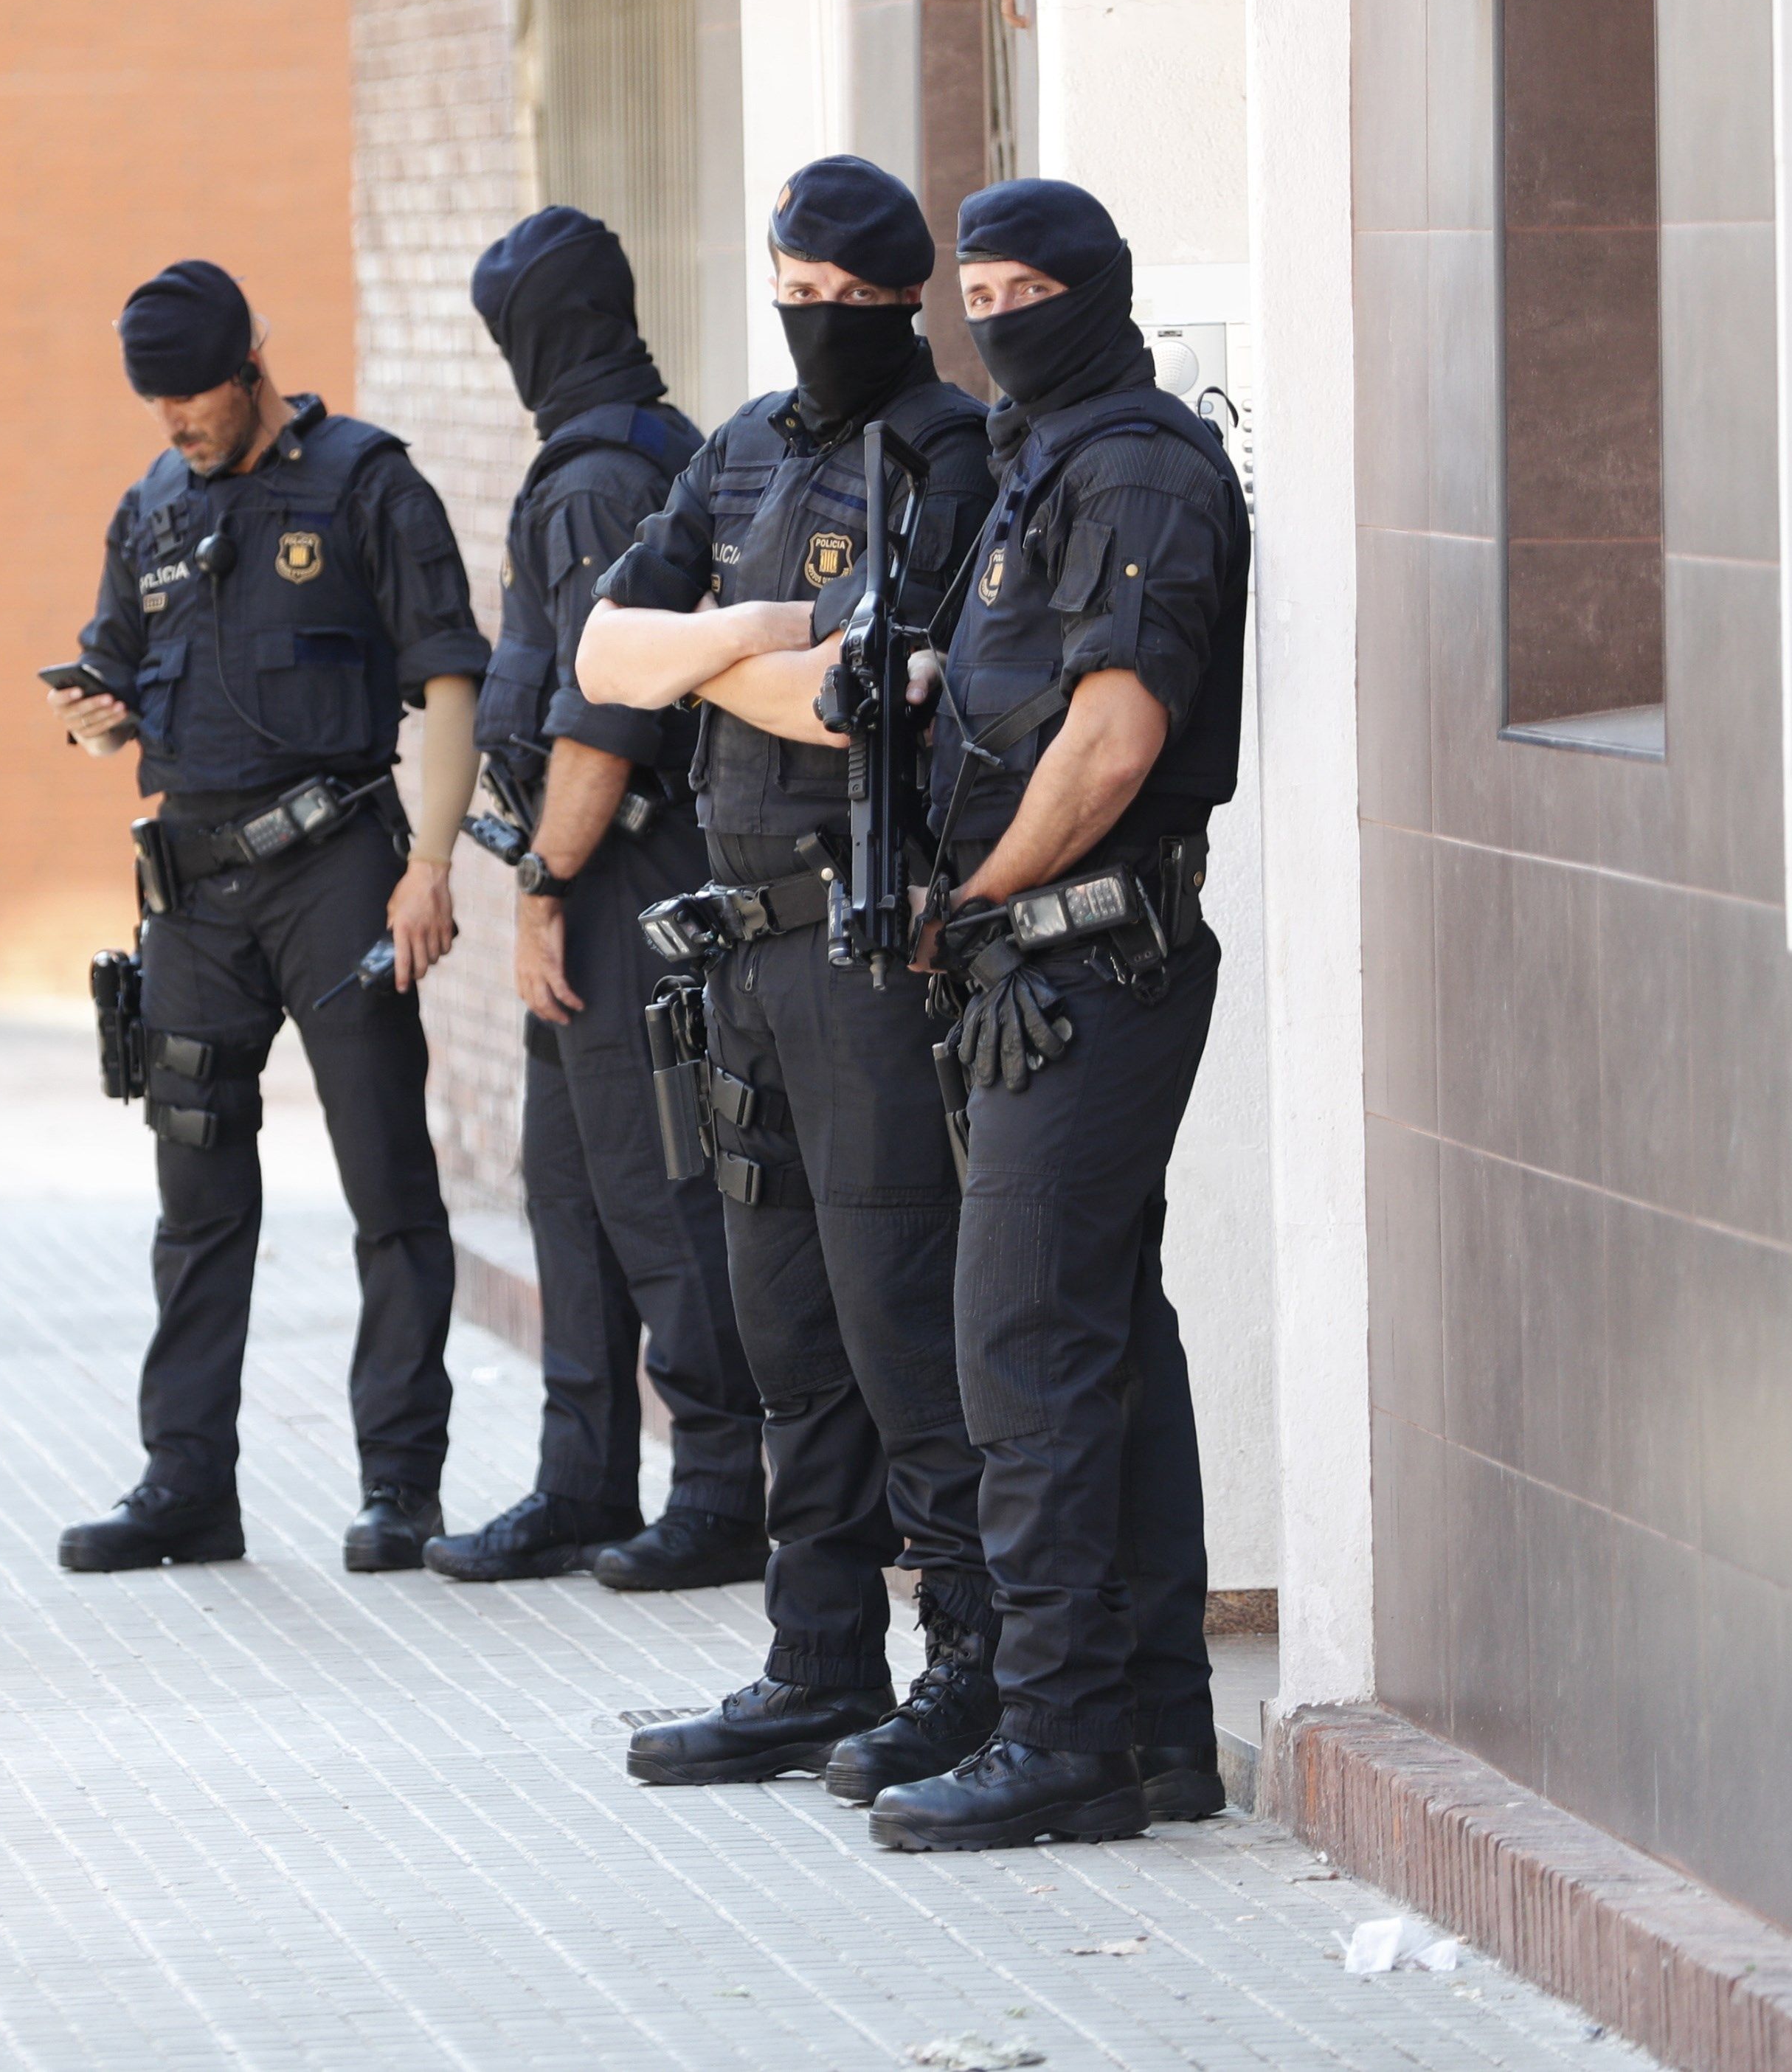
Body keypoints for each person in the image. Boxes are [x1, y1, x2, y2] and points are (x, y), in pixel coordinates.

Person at [572, 157, 1009, 1801]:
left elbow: (877, 692)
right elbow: (611, 658)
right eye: (791, 292)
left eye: (842, 299)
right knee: (782, 1328)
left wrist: (729, 657)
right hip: (739, 940)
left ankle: (970, 1666)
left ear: (902, 298)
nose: (811, 322)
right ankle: (817, 1661)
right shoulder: (740, 443)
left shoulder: (949, 458)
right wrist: (753, 637)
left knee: (899, 1316)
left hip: (863, 937)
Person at [859, 179, 1248, 1852]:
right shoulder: (1039, 463)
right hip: (1037, 961)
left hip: (1088, 955)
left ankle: (1058, 1738)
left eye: (1028, 289)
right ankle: (1156, 1731)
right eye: (978, 289)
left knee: (1020, 1346)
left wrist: (982, 895)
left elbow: (1113, 736)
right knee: (1102, 1341)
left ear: (1094, 294)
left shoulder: (1142, 464)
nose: (995, 317)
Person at [50, 260, 491, 1576]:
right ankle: (187, 1482)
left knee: (387, 1184)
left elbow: (451, 677)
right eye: (156, 401)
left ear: (251, 366)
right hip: (193, 889)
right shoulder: (153, 503)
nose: (175, 420)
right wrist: (91, 717)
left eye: (192, 394)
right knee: (194, 1193)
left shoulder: (366, 484)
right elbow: (118, 680)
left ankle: (400, 1484)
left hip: (339, 869)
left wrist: (431, 865)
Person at [421, 207, 767, 1593]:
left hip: (624, 874)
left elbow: (602, 717)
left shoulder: (595, 483)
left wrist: (546, 884)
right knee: (569, 1186)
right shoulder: (645, 452)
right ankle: (580, 1480)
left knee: (656, 1184)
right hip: (604, 871)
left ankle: (720, 1488)